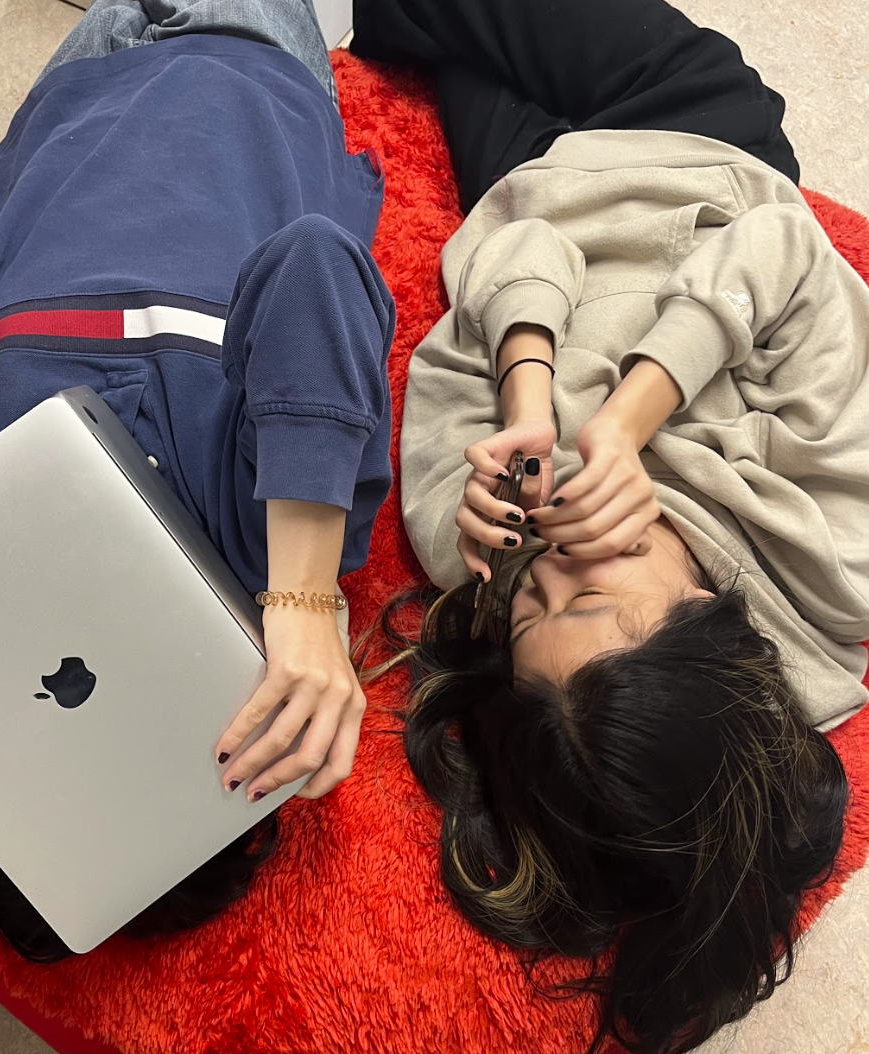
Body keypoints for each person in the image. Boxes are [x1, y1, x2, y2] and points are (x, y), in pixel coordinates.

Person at [0, 0, 394, 945]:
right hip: (253, 70)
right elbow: (317, 268)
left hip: (72, 99)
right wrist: (300, 603)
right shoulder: (272, 530)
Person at [352, 0, 866, 1051]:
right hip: (699, 146)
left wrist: (526, 392)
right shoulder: (832, 557)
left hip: (524, 192)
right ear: (710, 621)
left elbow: (517, 242)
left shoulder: (481, 553)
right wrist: (632, 420)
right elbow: (786, 247)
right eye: (592, 584)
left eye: (529, 605)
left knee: (414, 38)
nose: (549, 559)